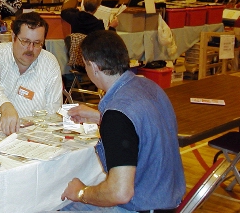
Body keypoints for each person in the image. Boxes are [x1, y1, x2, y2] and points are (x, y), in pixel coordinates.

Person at [60, 30, 186, 212]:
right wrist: (100, 117)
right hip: (168, 197)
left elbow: (120, 193)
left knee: (64, 205)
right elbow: (140, 128)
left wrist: (81, 193)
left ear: (94, 66)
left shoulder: (117, 117)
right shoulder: (149, 86)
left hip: (142, 206)